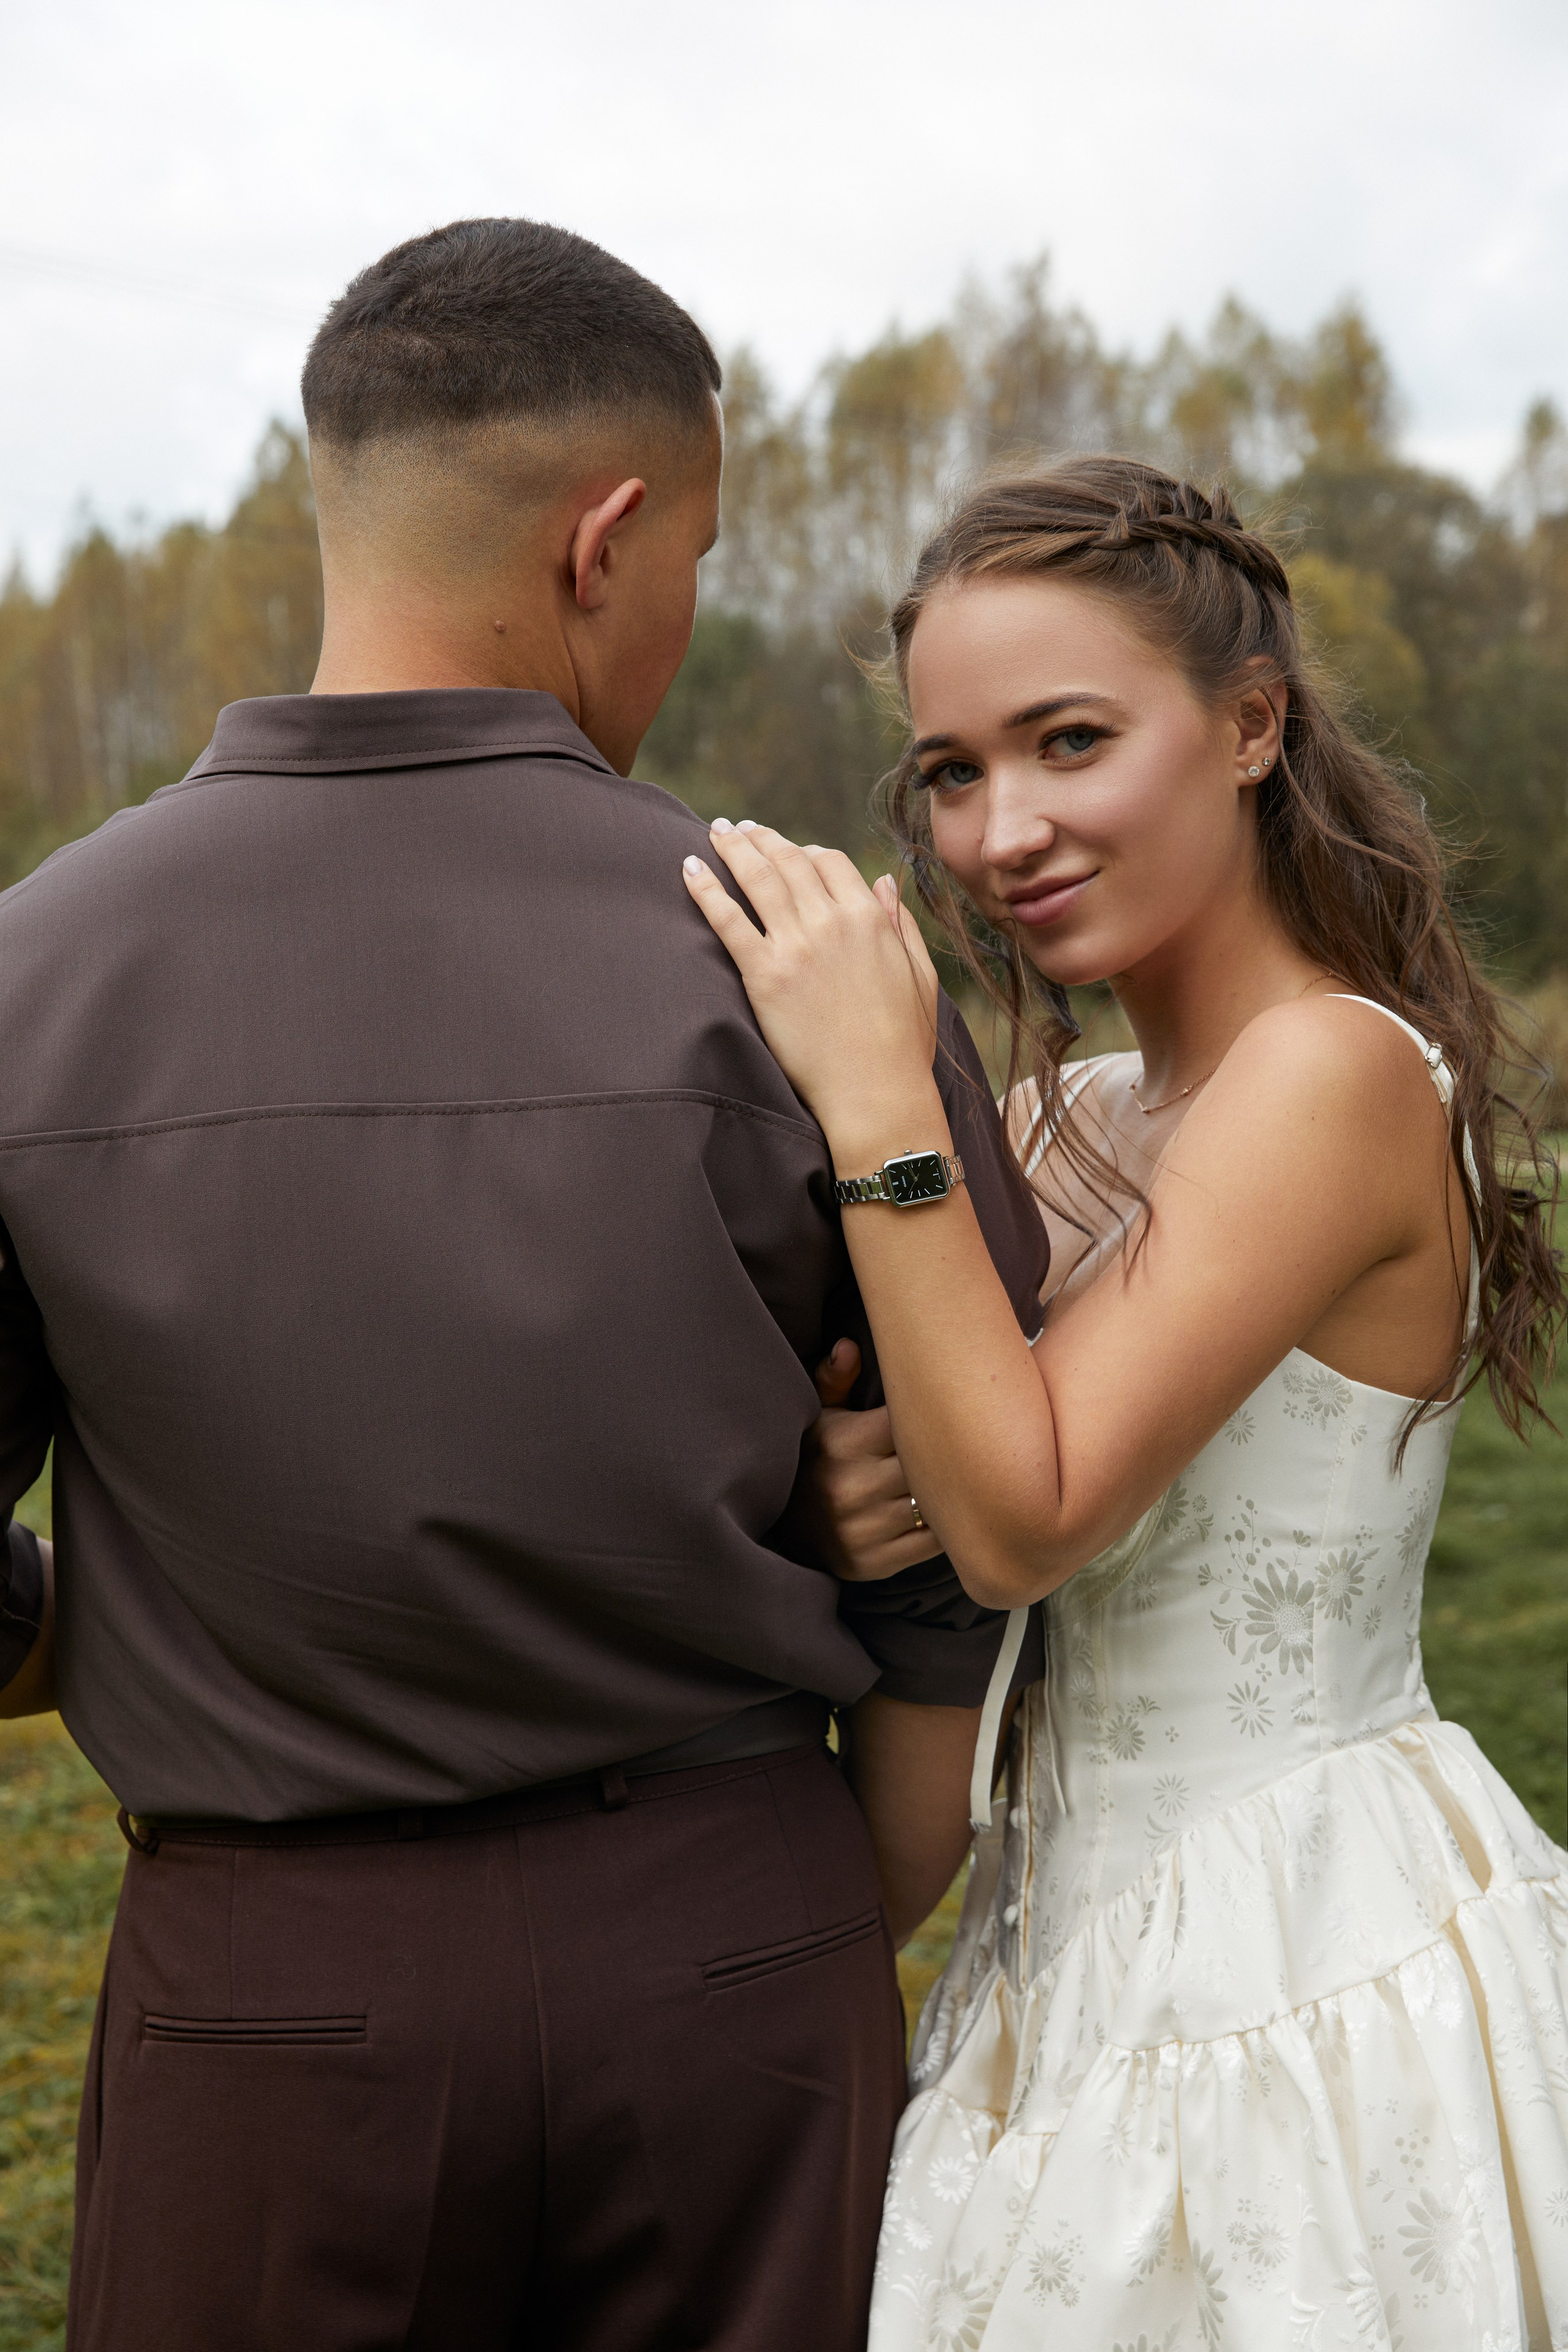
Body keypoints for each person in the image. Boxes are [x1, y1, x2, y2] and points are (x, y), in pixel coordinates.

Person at [0, 218, 1052, 2352]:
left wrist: (74, 1628)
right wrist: (854, 1858)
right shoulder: (798, 951)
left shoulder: (32, 974)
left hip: (267, 2002)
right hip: (739, 1958)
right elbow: (971, 1484)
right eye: (701, 556)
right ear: (610, 537)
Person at [685, 458, 1568, 2350]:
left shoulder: (1336, 1074)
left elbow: (1029, 1510)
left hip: (1294, 1957)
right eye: (950, 772)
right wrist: (866, 1483)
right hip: (1049, 1957)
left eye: (1068, 740)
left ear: (1251, 725)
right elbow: (952, 1484)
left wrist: (874, 1101)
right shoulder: (1052, 1125)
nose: (1002, 829)